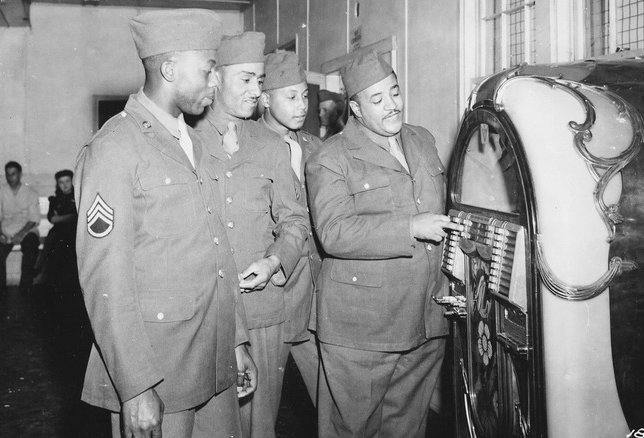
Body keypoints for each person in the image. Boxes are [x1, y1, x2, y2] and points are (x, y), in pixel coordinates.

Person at [74, 9, 256, 438]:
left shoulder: (191, 141)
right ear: (170, 69)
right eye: (209, 70)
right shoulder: (115, 148)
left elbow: (218, 249)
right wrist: (135, 386)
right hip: (159, 371)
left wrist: (237, 340)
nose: (216, 82)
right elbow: (106, 280)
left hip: (212, 361)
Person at [306, 50, 462, 438]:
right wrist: (409, 226)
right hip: (363, 329)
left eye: (394, 92)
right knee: (351, 430)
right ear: (356, 109)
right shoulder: (331, 158)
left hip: (425, 316)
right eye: (377, 100)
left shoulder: (421, 139)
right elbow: (334, 232)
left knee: (407, 428)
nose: (392, 106)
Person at [192, 33, 310, 438]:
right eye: (245, 80)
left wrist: (275, 261)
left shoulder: (270, 146)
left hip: (262, 314)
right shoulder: (185, 141)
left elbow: (295, 221)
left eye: (260, 81)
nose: (256, 91)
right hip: (205, 314)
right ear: (214, 80)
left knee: (260, 428)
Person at [259, 51, 323, 406]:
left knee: (334, 407)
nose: (302, 105)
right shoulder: (247, 145)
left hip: (316, 297)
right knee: (261, 408)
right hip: (275, 295)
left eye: (305, 95)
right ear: (266, 99)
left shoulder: (316, 148)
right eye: (291, 96)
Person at [0, 161, 40, 298]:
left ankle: (26, 285)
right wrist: (0, 233)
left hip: (26, 229)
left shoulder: (31, 192)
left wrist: (21, 234)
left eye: (13, 174)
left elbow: (34, 218)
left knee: (31, 245)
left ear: (20, 174)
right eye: (7, 174)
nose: (10, 177)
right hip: (5, 228)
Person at [34, 169, 78, 289]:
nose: (65, 185)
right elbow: (52, 219)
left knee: (58, 238)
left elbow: (78, 217)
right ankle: (54, 280)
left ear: (72, 181)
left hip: (75, 231)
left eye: (67, 181)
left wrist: (61, 217)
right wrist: (70, 216)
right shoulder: (55, 199)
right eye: (61, 182)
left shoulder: (79, 196)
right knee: (56, 238)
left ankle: (39, 266)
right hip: (59, 233)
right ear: (57, 184)